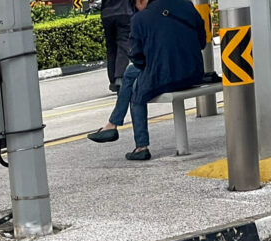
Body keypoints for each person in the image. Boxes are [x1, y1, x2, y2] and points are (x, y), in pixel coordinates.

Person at [86, 0, 204, 161]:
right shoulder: (186, 4)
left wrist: (153, 61)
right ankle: (112, 125)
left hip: (167, 76)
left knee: (137, 92)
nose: (136, 9)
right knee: (129, 73)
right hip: (194, 71)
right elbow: (202, 41)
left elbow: (137, 58)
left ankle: (141, 147)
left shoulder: (140, 19)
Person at [100, 0, 134, 92]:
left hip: (107, 14)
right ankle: (119, 76)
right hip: (124, 11)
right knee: (123, 43)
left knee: (111, 47)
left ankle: (112, 80)